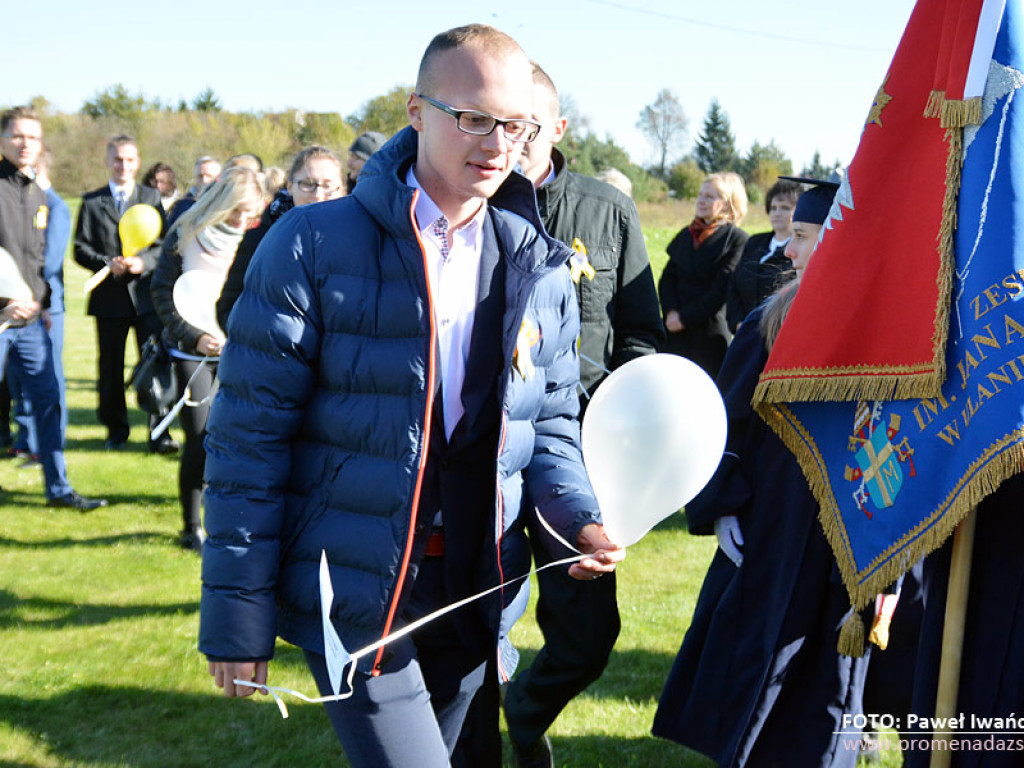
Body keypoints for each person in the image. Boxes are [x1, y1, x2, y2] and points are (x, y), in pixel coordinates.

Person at [199, 24, 624, 768]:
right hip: (357, 598)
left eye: (517, 125)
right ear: (415, 111)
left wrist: (578, 520)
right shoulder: (310, 244)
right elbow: (247, 443)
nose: (498, 143)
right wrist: (237, 616)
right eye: (473, 117)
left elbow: (549, 427)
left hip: (478, 588)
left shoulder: (542, 269)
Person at [652, 179, 873, 767]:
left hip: (843, 540)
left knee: (823, 688)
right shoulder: (769, 323)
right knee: (753, 675)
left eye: (804, 236)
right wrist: (722, 503)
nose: (789, 251)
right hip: (769, 525)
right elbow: (724, 422)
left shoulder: (888, 338)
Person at [501, 61, 664, 768]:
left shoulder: (606, 209)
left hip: (580, 460)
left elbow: (639, 333)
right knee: (477, 623)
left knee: (587, 638)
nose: (512, 138)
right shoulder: (469, 204)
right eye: (501, 121)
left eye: (528, 124)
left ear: (558, 128)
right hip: (490, 457)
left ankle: (523, 713)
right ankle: (477, 737)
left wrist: (620, 425)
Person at [150, 166, 265, 552]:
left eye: (249, 212)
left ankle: (228, 520)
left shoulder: (255, 238)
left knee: (235, 441)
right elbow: (162, 294)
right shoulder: (184, 233)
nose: (242, 219)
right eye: (236, 210)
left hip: (238, 353)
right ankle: (190, 526)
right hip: (190, 353)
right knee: (200, 439)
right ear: (219, 202)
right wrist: (194, 337)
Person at [0, 106, 106, 510]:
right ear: (2, 140)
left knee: (50, 401)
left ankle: (58, 489)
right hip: (2, 317)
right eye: (17, 136)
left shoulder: (39, 193)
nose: (26, 144)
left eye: (33, 137)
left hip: (29, 322)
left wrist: (38, 302)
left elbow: (43, 260)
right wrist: (6, 303)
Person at [73, 134, 177, 454]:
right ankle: (115, 430)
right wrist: (108, 263)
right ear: (107, 161)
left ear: (138, 162)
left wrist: (140, 262)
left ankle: (159, 432)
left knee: (155, 364)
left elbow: (163, 245)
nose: (123, 166)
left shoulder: (150, 196)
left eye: (130, 160)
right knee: (110, 370)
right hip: (109, 300)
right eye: (117, 159)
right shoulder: (92, 201)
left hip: (147, 299)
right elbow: (79, 248)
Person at [216, 145, 345, 331]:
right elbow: (229, 309)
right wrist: (273, 337)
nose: (318, 194)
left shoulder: (357, 240)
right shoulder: (262, 235)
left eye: (328, 185)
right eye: (308, 184)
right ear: (290, 186)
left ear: (342, 190)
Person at [5, 148, 71, 467]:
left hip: (45, 306)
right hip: (15, 307)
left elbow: (50, 260)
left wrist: (36, 300)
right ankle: (27, 441)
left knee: (48, 382)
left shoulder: (55, 206)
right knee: (19, 382)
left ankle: (51, 446)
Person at [658, 171, 749, 379]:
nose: (701, 200)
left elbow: (721, 288)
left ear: (728, 204)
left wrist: (685, 317)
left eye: (710, 196)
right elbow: (667, 278)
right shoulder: (686, 234)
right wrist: (671, 312)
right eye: (700, 195)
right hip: (674, 333)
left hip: (709, 336)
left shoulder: (736, 240)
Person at [725, 178, 802, 333]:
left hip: (776, 334)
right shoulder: (754, 242)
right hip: (744, 331)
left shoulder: (799, 250)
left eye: (785, 208)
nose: (777, 213)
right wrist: (739, 323)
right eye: (773, 208)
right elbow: (734, 283)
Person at [166, 155, 221, 227]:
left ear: (218, 178)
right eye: (200, 176)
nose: (204, 180)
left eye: (209, 176)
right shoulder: (181, 206)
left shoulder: (226, 204)